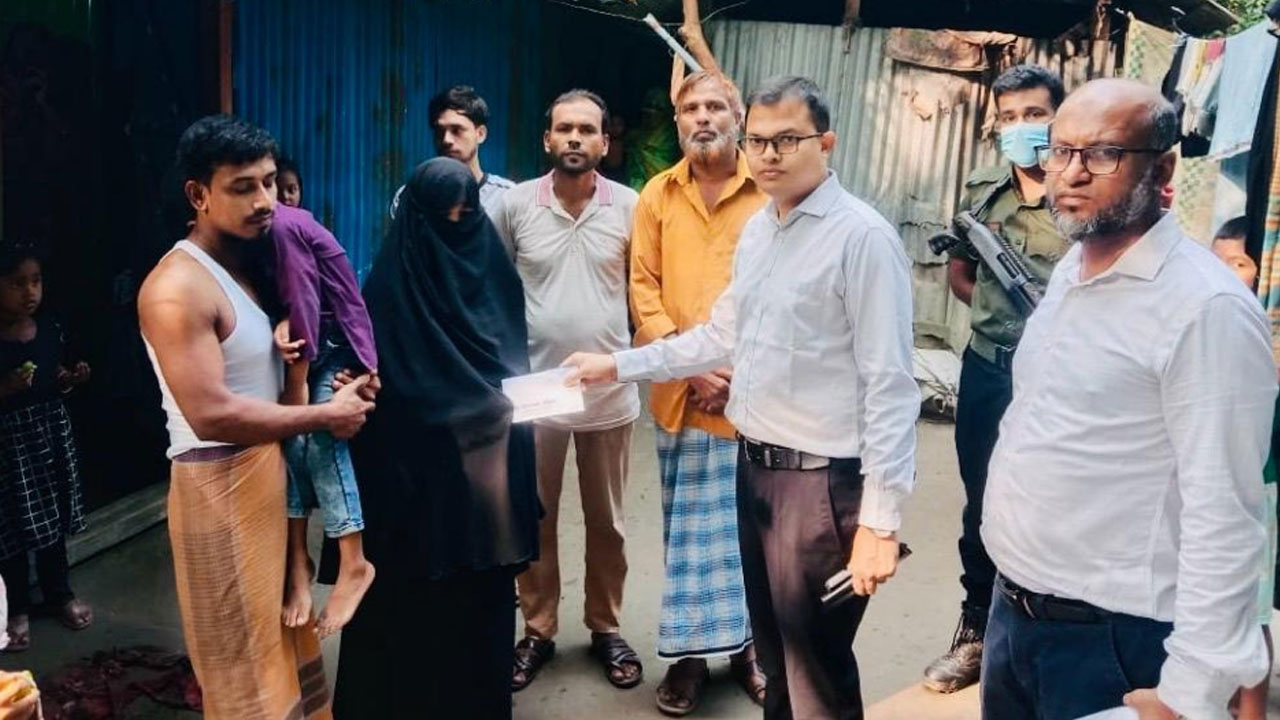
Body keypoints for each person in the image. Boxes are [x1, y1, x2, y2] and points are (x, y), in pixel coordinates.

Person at [566, 75, 920, 720]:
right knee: (777, 658)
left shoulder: (861, 238)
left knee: (816, 673)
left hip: (821, 488)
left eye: (787, 140)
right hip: (755, 470)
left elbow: (891, 386)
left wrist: (880, 522)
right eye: (759, 141)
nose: (769, 154)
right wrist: (615, 365)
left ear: (826, 144)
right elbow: (717, 337)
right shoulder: (762, 231)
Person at [978, 79, 1277, 720]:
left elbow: (1224, 513)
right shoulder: (1074, 268)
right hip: (1015, 617)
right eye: (1061, 151)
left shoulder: (1205, 309)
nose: (1071, 173)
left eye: (1103, 154)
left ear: (1162, 170)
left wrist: (1191, 691)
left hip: (1114, 641)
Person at [137, 114, 373, 720]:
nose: (265, 200)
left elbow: (284, 358)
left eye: (269, 182)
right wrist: (323, 416)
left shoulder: (250, 262)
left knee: (284, 653)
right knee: (244, 675)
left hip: (268, 475)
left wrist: (332, 381)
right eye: (243, 187)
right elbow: (211, 414)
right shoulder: (176, 288)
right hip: (217, 487)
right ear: (198, 194)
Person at [328, 158, 540, 719]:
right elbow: (361, 372)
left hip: (478, 488)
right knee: (402, 617)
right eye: (440, 217)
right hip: (408, 488)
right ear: (414, 218)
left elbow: (510, 372)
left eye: (464, 215)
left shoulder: (496, 277)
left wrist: (487, 414)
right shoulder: (386, 292)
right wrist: (352, 384)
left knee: (473, 615)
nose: (454, 227)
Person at [925, 64, 1070, 694]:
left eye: (1034, 115)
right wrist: (996, 318)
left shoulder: (1081, 192)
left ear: (1059, 119)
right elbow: (962, 274)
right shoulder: (983, 190)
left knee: (1059, 501)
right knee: (982, 500)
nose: (1020, 127)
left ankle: (1050, 635)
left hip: (1062, 379)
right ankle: (977, 630)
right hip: (989, 369)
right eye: (1008, 117)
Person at [493, 89, 644, 693]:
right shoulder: (514, 206)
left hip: (609, 394)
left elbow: (644, 293)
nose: (575, 137)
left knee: (608, 522)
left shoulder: (631, 207)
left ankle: (606, 626)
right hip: (537, 395)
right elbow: (492, 290)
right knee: (535, 519)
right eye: (564, 128)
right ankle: (538, 629)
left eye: (587, 129)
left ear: (605, 142)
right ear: (547, 139)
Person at [629, 69, 768, 715]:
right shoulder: (657, 194)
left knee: (752, 534)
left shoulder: (768, 193)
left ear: (738, 119)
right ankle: (688, 657)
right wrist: (692, 370)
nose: (703, 118)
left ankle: (749, 651)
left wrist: (737, 375)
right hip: (682, 396)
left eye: (716, 106)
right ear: (678, 121)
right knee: (687, 535)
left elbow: (785, 295)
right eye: (691, 108)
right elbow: (643, 289)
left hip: (754, 400)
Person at [270, 200, 379, 639]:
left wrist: (298, 391)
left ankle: (354, 562)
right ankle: (298, 561)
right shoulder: (248, 235)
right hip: (308, 340)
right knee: (291, 448)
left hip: (335, 344)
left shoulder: (281, 227)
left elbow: (304, 302)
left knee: (319, 441)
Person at [0, 245, 91, 654]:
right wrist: (5, 389)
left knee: (53, 521)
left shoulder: (49, 329)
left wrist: (68, 379)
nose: (29, 292)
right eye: (17, 283)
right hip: (9, 446)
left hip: (49, 436)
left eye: (35, 282)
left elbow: (53, 379)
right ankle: (17, 608)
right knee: (11, 530)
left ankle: (60, 595)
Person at [1210, 216, 1275, 720]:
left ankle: (1251, 709)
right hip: (1219, 475)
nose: (1227, 274)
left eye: (1240, 263)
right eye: (1218, 263)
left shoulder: (1265, 328)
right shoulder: (1217, 316)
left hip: (1258, 483)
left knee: (1251, 608)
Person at [389, 85, 514, 221]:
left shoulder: (508, 198)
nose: (446, 140)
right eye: (439, 131)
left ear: (480, 134)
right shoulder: (410, 198)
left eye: (457, 130)